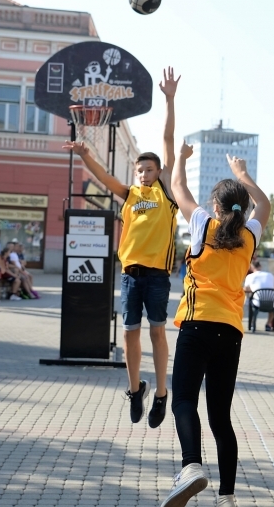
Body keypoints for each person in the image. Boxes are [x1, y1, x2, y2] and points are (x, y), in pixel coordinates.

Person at [63, 67, 180, 428]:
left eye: (148, 169)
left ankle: (161, 392)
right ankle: (135, 390)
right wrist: (84, 155)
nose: (143, 173)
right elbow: (102, 176)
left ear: (159, 172)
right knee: (129, 333)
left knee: (157, 331)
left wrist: (169, 99)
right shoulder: (129, 195)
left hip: (158, 277)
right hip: (130, 276)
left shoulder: (166, 193)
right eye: (139, 169)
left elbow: (167, 141)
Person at [159, 144, 269, 507]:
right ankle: (227, 498)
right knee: (221, 417)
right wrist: (243, 176)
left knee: (184, 401)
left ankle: (191, 466)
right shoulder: (249, 236)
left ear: (216, 207)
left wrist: (182, 160)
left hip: (196, 324)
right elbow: (265, 205)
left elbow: (177, 186)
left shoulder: (203, 223)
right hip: (231, 332)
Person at [244, 261, 274, 331]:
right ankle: (268, 324)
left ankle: (252, 323)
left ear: (252, 268)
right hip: (271, 302)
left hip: (257, 302)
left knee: (248, 301)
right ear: (260, 267)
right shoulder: (269, 275)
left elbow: (245, 289)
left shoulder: (249, 276)